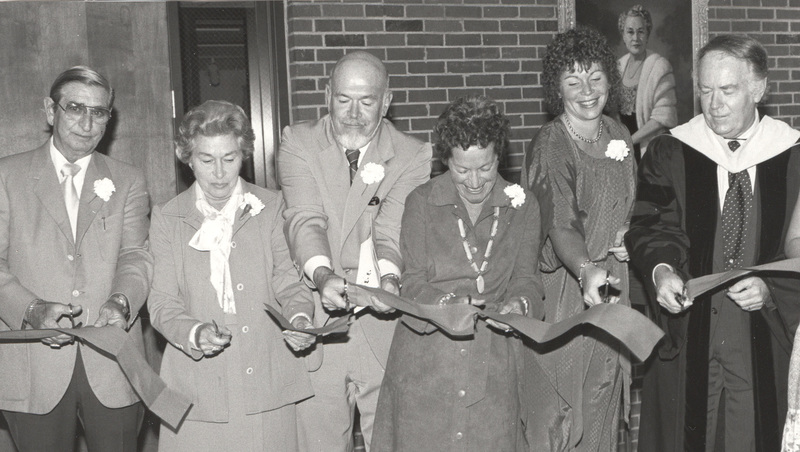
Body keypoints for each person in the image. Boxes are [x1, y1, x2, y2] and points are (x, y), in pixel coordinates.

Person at [625, 34, 800, 452]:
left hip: (763, 332)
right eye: (705, 91)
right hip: (690, 330)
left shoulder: (792, 154)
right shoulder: (672, 150)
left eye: (727, 90)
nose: (714, 104)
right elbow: (650, 225)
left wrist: (771, 288)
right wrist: (662, 271)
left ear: (758, 88)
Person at [277, 51, 432, 451]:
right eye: (343, 99)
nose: (353, 113)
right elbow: (305, 219)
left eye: (367, 101)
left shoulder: (413, 153)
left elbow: (392, 228)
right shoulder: (298, 142)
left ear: (387, 101)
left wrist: (391, 281)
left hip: (381, 328)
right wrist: (323, 276)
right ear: (327, 94)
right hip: (320, 321)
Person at [371, 95, 544, 451]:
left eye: (486, 167)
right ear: (445, 160)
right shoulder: (421, 201)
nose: (476, 182)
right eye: (462, 170)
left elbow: (528, 280)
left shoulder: (522, 205)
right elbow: (413, 283)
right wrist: (450, 304)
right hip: (426, 362)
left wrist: (519, 305)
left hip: (493, 362)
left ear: (501, 157)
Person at [147, 100, 315, 451]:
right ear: (187, 158)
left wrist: (299, 318)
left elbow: (288, 280)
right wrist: (194, 332)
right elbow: (162, 303)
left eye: (230, 159)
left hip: (266, 375)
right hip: (196, 386)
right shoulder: (167, 217)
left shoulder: (272, 207)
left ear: (245, 155)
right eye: (207, 160)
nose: (220, 173)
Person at [0, 66, 153, 451]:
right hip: (33, 363)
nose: (87, 123)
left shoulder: (129, 179)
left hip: (113, 364)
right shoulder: (6, 176)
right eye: (74, 108)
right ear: (50, 112)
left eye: (99, 112)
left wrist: (122, 301)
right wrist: (30, 309)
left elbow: (136, 255)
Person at [520, 27, 636, 451]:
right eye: (573, 81)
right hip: (567, 290)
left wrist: (629, 234)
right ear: (557, 89)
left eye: (596, 78)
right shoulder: (551, 143)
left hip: (612, 288)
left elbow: (630, 207)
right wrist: (587, 268)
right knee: (557, 418)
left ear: (611, 80)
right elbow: (560, 221)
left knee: (602, 402)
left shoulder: (620, 136)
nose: (587, 91)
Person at [616, 4, 678, 161]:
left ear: (648, 34)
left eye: (640, 32)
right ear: (623, 35)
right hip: (621, 149)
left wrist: (629, 142)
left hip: (651, 149)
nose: (635, 38)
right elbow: (612, 111)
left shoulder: (659, 66)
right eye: (630, 32)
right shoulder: (618, 67)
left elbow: (662, 118)